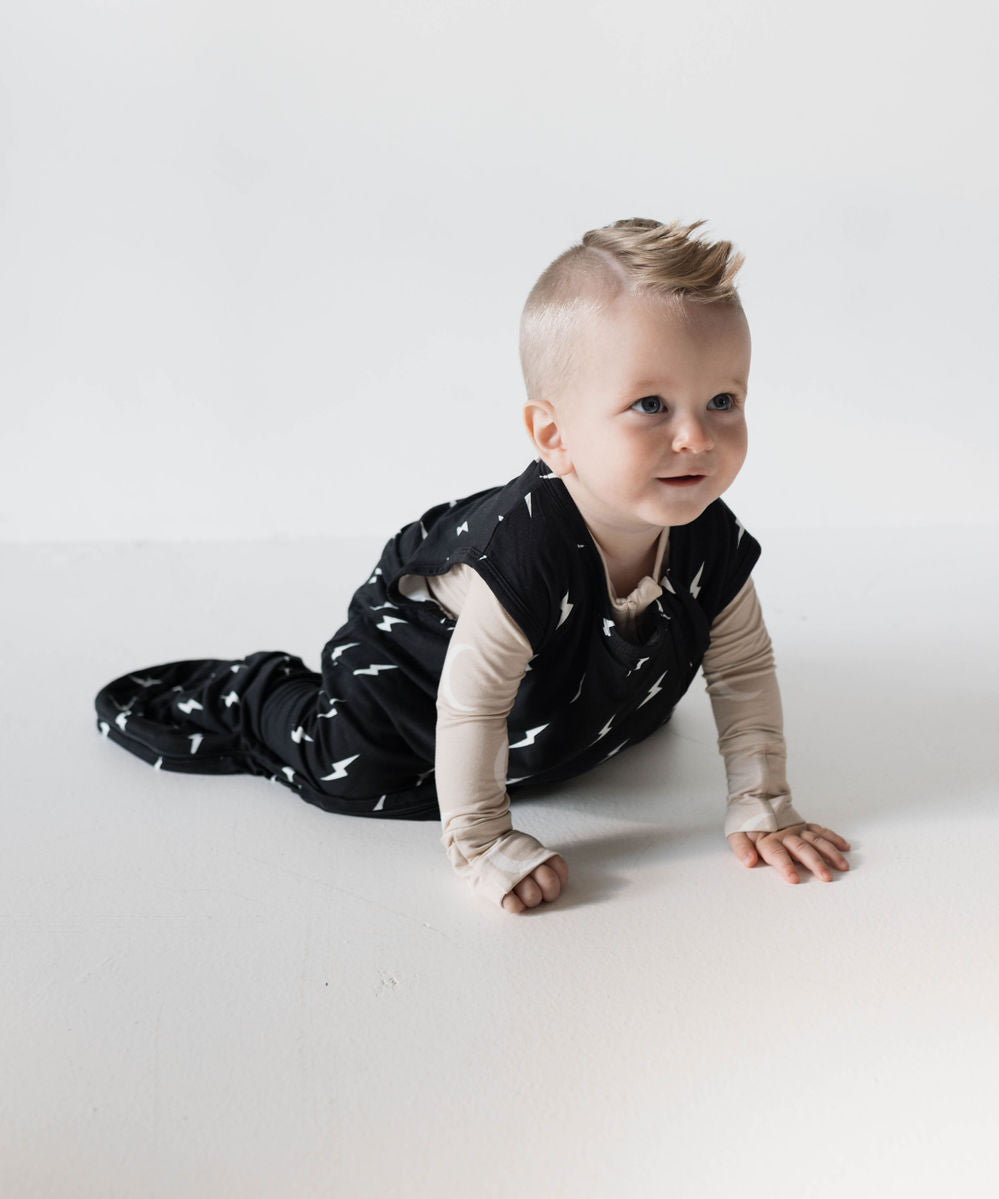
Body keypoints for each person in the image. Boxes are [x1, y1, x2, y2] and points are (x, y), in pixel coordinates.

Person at [95, 217, 849, 913]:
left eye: (722, 399)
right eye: (651, 405)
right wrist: (484, 840)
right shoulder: (529, 548)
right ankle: (259, 696)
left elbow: (743, 668)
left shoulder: (706, 533)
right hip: (416, 678)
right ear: (553, 434)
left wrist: (763, 801)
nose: (696, 437)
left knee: (643, 694)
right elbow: (471, 705)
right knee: (347, 772)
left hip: (552, 686)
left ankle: (586, 707)